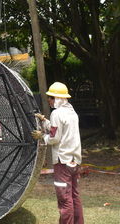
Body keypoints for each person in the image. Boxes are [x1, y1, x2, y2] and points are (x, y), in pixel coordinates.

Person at [32, 82, 84, 224]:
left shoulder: (56, 113)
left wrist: (41, 136)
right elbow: (59, 129)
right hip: (75, 161)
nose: (49, 100)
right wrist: (44, 121)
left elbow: (54, 138)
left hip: (62, 162)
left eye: (51, 97)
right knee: (74, 197)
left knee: (64, 199)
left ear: (57, 98)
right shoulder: (72, 113)